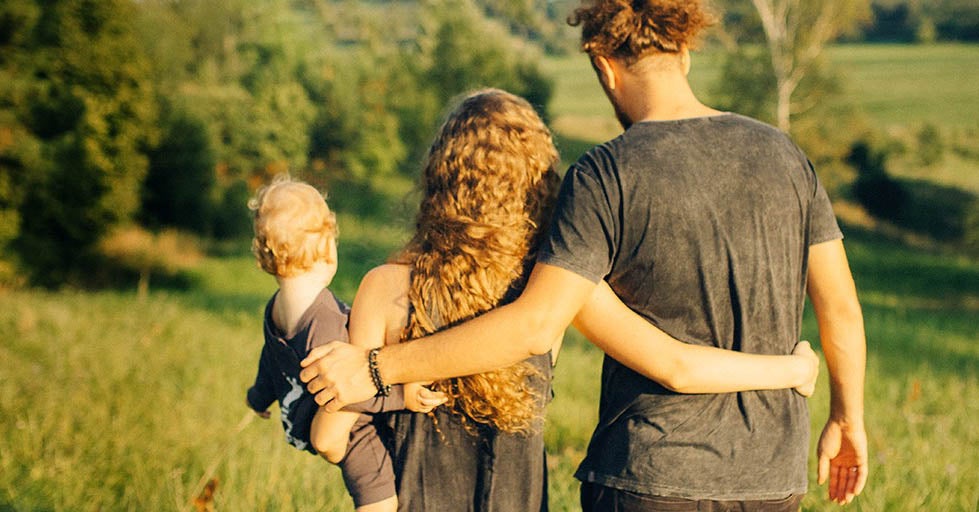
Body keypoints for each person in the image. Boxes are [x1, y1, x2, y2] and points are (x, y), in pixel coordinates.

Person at [317, 88, 822, 512]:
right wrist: (793, 371)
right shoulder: (553, 292)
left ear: (439, 178)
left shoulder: (385, 288)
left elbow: (331, 436)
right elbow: (678, 366)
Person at [244, 176, 445, 512]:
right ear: (326, 246)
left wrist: (258, 395)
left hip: (302, 419)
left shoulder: (276, 307)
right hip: (353, 435)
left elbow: (272, 359)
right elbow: (353, 385)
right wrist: (402, 396)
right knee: (380, 502)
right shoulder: (324, 321)